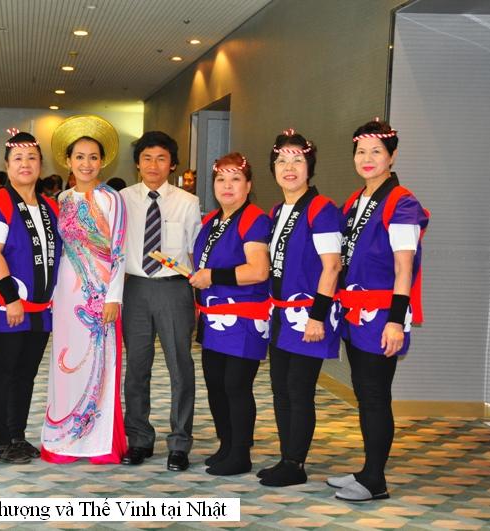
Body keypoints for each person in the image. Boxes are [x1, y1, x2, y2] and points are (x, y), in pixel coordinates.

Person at [327, 119, 428, 502]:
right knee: (364, 392)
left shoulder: (401, 202)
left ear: (392, 156)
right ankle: (367, 469)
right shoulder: (356, 201)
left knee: (374, 395)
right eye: (361, 151)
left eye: (376, 152)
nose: (367, 159)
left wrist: (396, 323)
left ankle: (375, 481)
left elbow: (404, 268)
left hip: (383, 314)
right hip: (355, 313)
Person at [40, 115, 127, 463]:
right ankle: (64, 441)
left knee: (98, 364)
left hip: (100, 295)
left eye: (93, 157)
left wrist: (114, 297)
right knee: (65, 365)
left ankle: (97, 444)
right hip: (66, 295)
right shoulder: (63, 199)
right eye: (79, 157)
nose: (86, 164)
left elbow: (119, 250)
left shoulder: (112, 199)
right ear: (68, 160)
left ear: (102, 161)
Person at [259, 130, 342, 487]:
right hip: (281, 313)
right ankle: (286, 457)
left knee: (299, 388)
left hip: (310, 313)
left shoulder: (322, 209)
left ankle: (296, 463)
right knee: (280, 387)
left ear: (310, 167)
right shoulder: (278, 210)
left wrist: (318, 316)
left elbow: (332, 266)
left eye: (297, 160)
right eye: (281, 161)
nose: (289, 167)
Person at [0, 128, 62, 464]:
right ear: (7, 165)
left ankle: (16, 435)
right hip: (5, 305)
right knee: (0, 372)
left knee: (25, 374)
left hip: (40, 308)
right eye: (18, 158)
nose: (25, 164)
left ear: (41, 164)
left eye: (32, 158)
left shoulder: (50, 206)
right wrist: (10, 298)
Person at [119, 131, 201, 472]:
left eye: (161, 159)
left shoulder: (188, 202)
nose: (154, 165)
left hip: (174, 290)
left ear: (173, 165)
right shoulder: (121, 200)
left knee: (180, 366)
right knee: (137, 369)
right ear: (137, 164)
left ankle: (180, 443)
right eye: (147, 158)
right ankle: (139, 438)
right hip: (135, 288)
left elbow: (195, 252)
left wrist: (199, 298)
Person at [189, 152, 270, 476]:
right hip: (213, 317)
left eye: (235, 179)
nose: (227, 186)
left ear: (248, 185)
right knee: (216, 383)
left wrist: (212, 277)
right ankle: (226, 444)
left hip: (245, 318)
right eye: (221, 179)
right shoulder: (212, 220)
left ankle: (240, 453)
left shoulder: (254, 219)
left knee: (236, 385)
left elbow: (258, 270)